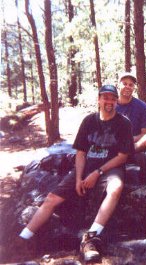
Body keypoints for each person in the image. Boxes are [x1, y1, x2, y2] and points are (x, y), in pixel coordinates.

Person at [16, 85, 134, 262]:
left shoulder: (123, 123)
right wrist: (78, 177)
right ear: (99, 99)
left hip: (110, 168)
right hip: (85, 166)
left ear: (116, 101)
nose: (109, 101)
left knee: (115, 188)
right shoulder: (89, 121)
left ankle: (90, 238)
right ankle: (23, 238)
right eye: (105, 97)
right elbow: (80, 152)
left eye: (112, 98)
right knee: (51, 199)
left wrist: (97, 172)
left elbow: (123, 156)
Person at [116, 72, 146, 152]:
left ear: (134, 88)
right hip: (113, 142)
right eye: (124, 84)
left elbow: (144, 134)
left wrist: (128, 140)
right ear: (118, 85)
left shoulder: (142, 107)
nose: (127, 87)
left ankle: (126, 153)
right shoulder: (111, 105)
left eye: (131, 85)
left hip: (133, 144)